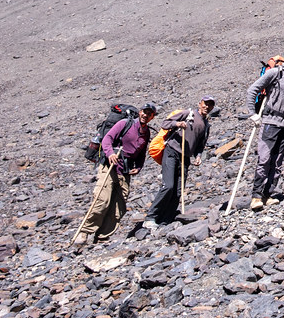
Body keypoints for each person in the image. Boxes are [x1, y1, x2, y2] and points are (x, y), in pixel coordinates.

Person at [74, 102, 157, 246]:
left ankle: (102, 236)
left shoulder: (146, 132)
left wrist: (138, 167)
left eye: (149, 114)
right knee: (102, 199)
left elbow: (142, 152)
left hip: (125, 170)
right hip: (110, 166)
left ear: (152, 117)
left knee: (119, 205)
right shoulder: (125, 124)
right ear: (140, 112)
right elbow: (107, 139)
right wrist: (110, 153)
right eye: (144, 111)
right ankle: (84, 232)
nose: (145, 115)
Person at [245, 48, 284, 210]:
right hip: (270, 122)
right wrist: (252, 113)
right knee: (264, 159)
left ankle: (267, 194)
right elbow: (253, 90)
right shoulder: (276, 73)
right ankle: (256, 196)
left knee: (277, 162)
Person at [143, 96, 213, 227]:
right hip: (172, 151)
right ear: (200, 104)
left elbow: (200, 145)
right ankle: (150, 217)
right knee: (168, 186)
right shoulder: (188, 113)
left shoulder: (206, 125)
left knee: (178, 190)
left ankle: (167, 219)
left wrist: (198, 156)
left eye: (210, 105)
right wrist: (177, 124)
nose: (207, 107)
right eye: (205, 104)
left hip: (185, 157)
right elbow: (165, 123)